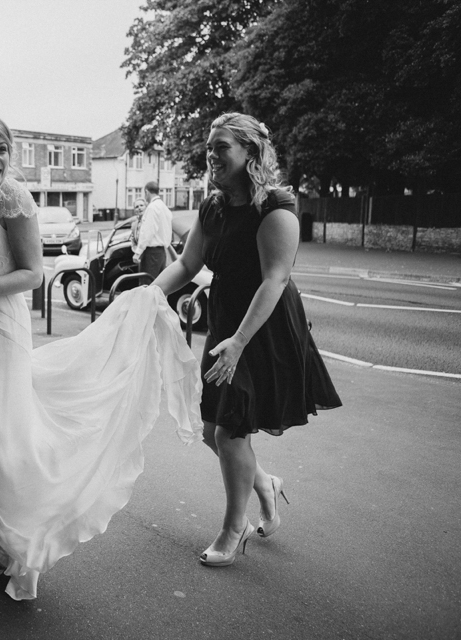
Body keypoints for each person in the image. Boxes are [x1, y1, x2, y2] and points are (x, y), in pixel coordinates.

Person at [0, 113, 202, 600]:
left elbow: (35, 274)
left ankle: (21, 550)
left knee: (3, 441)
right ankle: (3, 542)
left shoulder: (13, 198)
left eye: (1, 148)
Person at [153, 113, 342, 567]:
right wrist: (147, 297)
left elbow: (275, 280)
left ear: (250, 153)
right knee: (213, 427)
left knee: (232, 431)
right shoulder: (213, 206)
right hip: (224, 323)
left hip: (262, 327)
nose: (211, 155)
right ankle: (265, 483)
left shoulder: (276, 207)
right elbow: (187, 262)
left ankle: (233, 529)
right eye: (210, 147)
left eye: (221, 147)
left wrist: (238, 342)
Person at [133, 181, 172, 278]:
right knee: (157, 286)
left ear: (146, 192)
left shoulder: (152, 207)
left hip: (151, 254)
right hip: (162, 253)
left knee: (147, 285)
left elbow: (147, 232)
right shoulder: (164, 207)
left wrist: (138, 253)